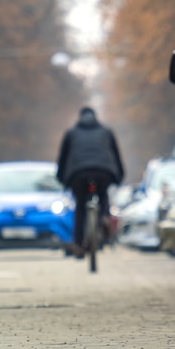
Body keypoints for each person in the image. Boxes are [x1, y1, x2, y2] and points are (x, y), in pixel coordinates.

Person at [56, 106, 124, 258]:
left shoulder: (71, 133)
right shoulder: (106, 131)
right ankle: (105, 218)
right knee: (103, 196)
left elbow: (63, 158)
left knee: (80, 207)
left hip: (78, 173)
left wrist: (61, 179)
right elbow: (116, 155)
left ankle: (79, 244)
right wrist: (118, 177)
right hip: (103, 171)